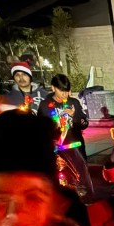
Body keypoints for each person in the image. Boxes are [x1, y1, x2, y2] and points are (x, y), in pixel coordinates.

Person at [39, 73, 95, 204]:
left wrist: (75, 116)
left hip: (75, 146)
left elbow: (84, 124)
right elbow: (41, 127)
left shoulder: (73, 102)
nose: (65, 94)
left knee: (81, 175)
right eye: (61, 90)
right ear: (53, 88)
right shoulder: (45, 105)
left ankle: (84, 201)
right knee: (59, 178)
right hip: (56, 149)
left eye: (67, 91)